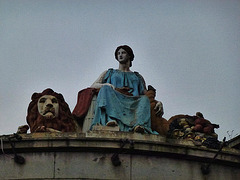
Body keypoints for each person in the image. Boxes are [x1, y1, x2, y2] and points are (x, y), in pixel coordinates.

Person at [89, 45, 163, 133]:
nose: (120, 55)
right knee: (105, 88)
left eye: (123, 53)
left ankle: (139, 125)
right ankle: (111, 119)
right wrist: (107, 84)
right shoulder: (109, 72)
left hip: (133, 102)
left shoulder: (137, 77)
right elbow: (94, 85)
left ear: (129, 56)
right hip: (114, 99)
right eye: (118, 53)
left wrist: (158, 102)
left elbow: (145, 94)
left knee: (144, 99)